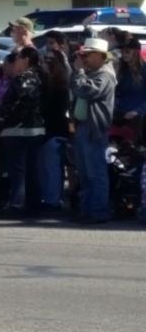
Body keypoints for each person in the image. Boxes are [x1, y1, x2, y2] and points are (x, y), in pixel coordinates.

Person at [71, 38, 117, 224]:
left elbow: (86, 91)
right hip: (83, 127)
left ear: (100, 56)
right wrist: (79, 72)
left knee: (95, 173)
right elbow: (75, 87)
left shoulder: (105, 75)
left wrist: (79, 72)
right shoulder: (91, 73)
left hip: (94, 129)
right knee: (84, 173)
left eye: (88, 54)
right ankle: (86, 210)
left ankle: (98, 211)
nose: (84, 58)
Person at [0, 47, 46, 216]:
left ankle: (17, 203)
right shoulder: (43, 76)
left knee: (18, 169)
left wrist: (3, 114)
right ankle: (33, 204)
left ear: (25, 60)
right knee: (32, 169)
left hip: (18, 128)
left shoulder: (23, 78)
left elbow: (20, 99)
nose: (16, 61)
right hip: (37, 127)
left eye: (18, 58)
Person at [38, 48, 71, 210]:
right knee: (43, 168)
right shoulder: (44, 85)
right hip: (44, 131)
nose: (44, 63)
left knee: (52, 168)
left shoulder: (60, 88)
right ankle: (47, 198)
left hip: (55, 132)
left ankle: (53, 200)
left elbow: (56, 112)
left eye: (48, 61)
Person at [114, 38, 146, 137]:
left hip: (138, 119)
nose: (124, 54)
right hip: (119, 115)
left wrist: (137, 111)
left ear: (136, 53)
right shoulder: (122, 69)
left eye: (127, 51)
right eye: (122, 51)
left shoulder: (144, 69)